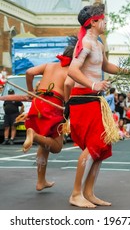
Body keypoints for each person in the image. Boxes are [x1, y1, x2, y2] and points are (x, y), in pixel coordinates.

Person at [65, 3, 130, 208]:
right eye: (103, 19)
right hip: (83, 99)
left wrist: (129, 72)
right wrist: (94, 84)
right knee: (94, 144)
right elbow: (73, 70)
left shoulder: (98, 43)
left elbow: (106, 66)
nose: (106, 22)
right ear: (93, 22)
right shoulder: (86, 43)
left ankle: (88, 192)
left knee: (101, 146)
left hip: (94, 100)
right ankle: (76, 193)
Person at [22, 43, 76, 191]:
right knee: (57, 147)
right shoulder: (71, 71)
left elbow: (29, 72)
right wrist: (67, 103)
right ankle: (34, 135)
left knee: (44, 144)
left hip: (38, 102)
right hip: (53, 104)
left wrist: (31, 91)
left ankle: (41, 181)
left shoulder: (49, 65)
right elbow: (67, 87)